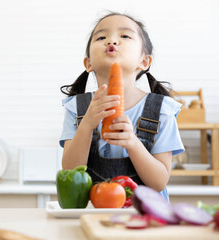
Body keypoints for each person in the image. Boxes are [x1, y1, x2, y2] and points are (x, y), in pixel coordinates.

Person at [59, 13, 184, 201]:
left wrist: (133, 143)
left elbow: (159, 182)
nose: (112, 41)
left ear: (144, 61)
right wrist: (86, 125)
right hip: (94, 216)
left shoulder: (162, 110)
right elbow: (70, 171)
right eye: (101, 37)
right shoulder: (77, 108)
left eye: (125, 36)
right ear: (88, 63)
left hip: (145, 218)